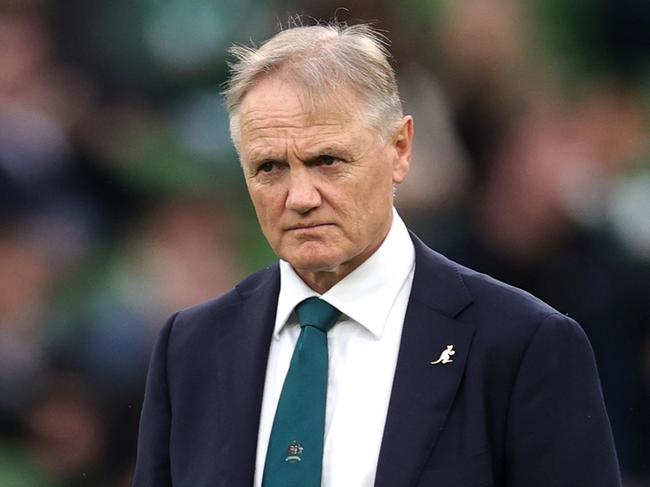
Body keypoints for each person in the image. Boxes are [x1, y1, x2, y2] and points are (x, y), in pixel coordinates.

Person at [132, 22, 622, 487]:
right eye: (269, 167)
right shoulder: (189, 348)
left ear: (400, 149)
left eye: (327, 160)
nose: (300, 196)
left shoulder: (522, 345)